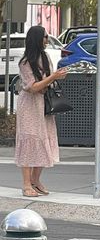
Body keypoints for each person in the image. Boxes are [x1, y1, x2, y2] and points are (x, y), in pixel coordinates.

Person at [15, 25, 68, 197]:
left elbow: (47, 83)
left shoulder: (45, 58)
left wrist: (56, 77)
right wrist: (52, 77)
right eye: (45, 37)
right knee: (29, 140)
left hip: (44, 105)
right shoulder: (25, 62)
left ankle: (35, 180)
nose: (47, 40)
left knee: (44, 140)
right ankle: (25, 184)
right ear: (37, 39)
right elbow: (32, 87)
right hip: (30, 106)